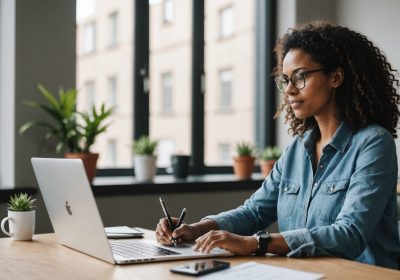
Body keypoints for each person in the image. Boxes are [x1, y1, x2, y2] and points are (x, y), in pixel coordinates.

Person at [155, 22, 400, 269]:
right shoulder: (297, 150)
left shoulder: (373, 143)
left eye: (301, 77)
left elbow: (350, 234)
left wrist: (256, 243)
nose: (290, 90)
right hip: (303, 273)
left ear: (336, 77)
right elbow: (254, 213)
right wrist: (196, 229)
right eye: (285, 80)